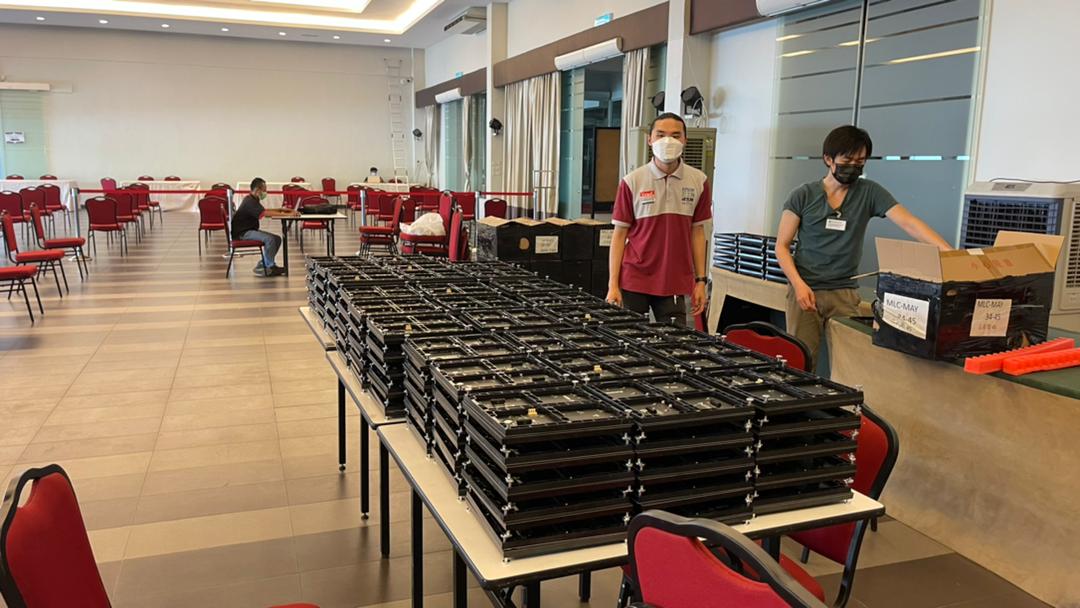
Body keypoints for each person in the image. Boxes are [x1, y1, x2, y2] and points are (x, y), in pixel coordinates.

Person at [775, 125, 951, 365]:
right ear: (828, 159)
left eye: (860, 162)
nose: (853, 167)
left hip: (844, 293)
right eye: (847, 160)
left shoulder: (869, 192)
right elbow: (782, 246)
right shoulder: (803, 195)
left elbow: (909, 223)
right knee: (800, 361)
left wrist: (950, 253)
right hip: (806, 290)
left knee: (848, 363)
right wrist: (798, 285)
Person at [607, 112, 710, 326]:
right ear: (650, 139)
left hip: (674, 280)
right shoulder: (632, 181)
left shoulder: (699, 181)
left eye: (675, 135)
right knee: (632, 340)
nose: (668, 141)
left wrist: (700, 281)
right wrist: (613, 284)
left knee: (675, 341)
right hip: (635, 278)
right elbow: (619, 236)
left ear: (685, 140)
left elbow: (698, 233)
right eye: (661, 135)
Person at [232, 177, 284, 277]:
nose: (265, 193)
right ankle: (269, 267)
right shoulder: (249, 202)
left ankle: (264, 263)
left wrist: (281, 210)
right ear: (257, 190)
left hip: (249, 230)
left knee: (277, 239)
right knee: (270, 239)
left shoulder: (253, 199)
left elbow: (265, 211)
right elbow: (264, 214)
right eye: (264, 190)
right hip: (243, 233)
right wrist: (286, 213)